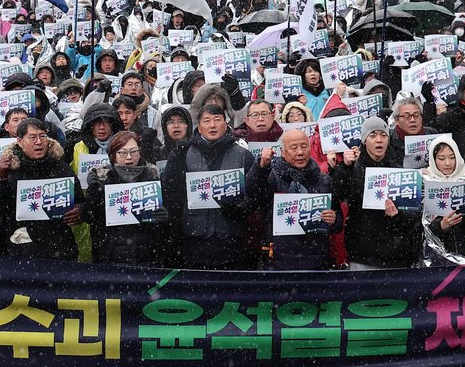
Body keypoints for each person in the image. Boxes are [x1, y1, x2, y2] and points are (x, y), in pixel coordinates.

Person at [160, 104, 256, 269]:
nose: (212, 125)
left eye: (217, 120)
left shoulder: (243, 155)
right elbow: (171, 193)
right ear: (198, 125)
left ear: (226, 124)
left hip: (231, 240)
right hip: (195, 240)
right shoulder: (184, 152)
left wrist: (240, 207)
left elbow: (254, 194)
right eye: (207, 121)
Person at [0, 118, 83, 259]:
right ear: (19, 141)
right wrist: (0, 179)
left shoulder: (61, 168)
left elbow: (80, 200)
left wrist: (79, 211)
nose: (38, 142)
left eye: (42, 136)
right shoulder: (9, 170)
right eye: (32, 137)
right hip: (19, 248)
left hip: (59, 246)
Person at [331, 117, 420, 270]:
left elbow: (413, 217)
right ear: (364, 140)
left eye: (383, 135)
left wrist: (397, 216)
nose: (379, 140)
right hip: (363, 254)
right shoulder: (353, 169)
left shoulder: (400, 172)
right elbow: (339, 194)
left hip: (395, 255)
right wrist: (345, 168)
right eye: (373, 135)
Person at [247, 128, 340, 270]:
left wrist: (333, 220)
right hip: (278, 260)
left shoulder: (324, 180)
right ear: (283, 152)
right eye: (294, 148)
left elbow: (338, 222)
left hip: (315, 260)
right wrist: (260, 167)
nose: (300, 152)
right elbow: (252, 192)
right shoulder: (272, 176)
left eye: (304, 146)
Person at [85, 131, 173, 266]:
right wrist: (94, 191)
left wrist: (164, 217)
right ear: (113, 155)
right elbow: (89, 217)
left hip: (146, 256)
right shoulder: (103, 178)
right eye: (123, 153)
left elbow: (163, 227)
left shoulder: (152, 178)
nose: (129, 157)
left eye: (134, 151)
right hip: (110, 257)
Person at [420, 135, 465, 260]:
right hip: (438, 257)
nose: (448, 163)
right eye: (441, 158)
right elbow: (420, 225)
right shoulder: (425, 182)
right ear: (433, 159)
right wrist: (441, 225)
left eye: (452, 158)